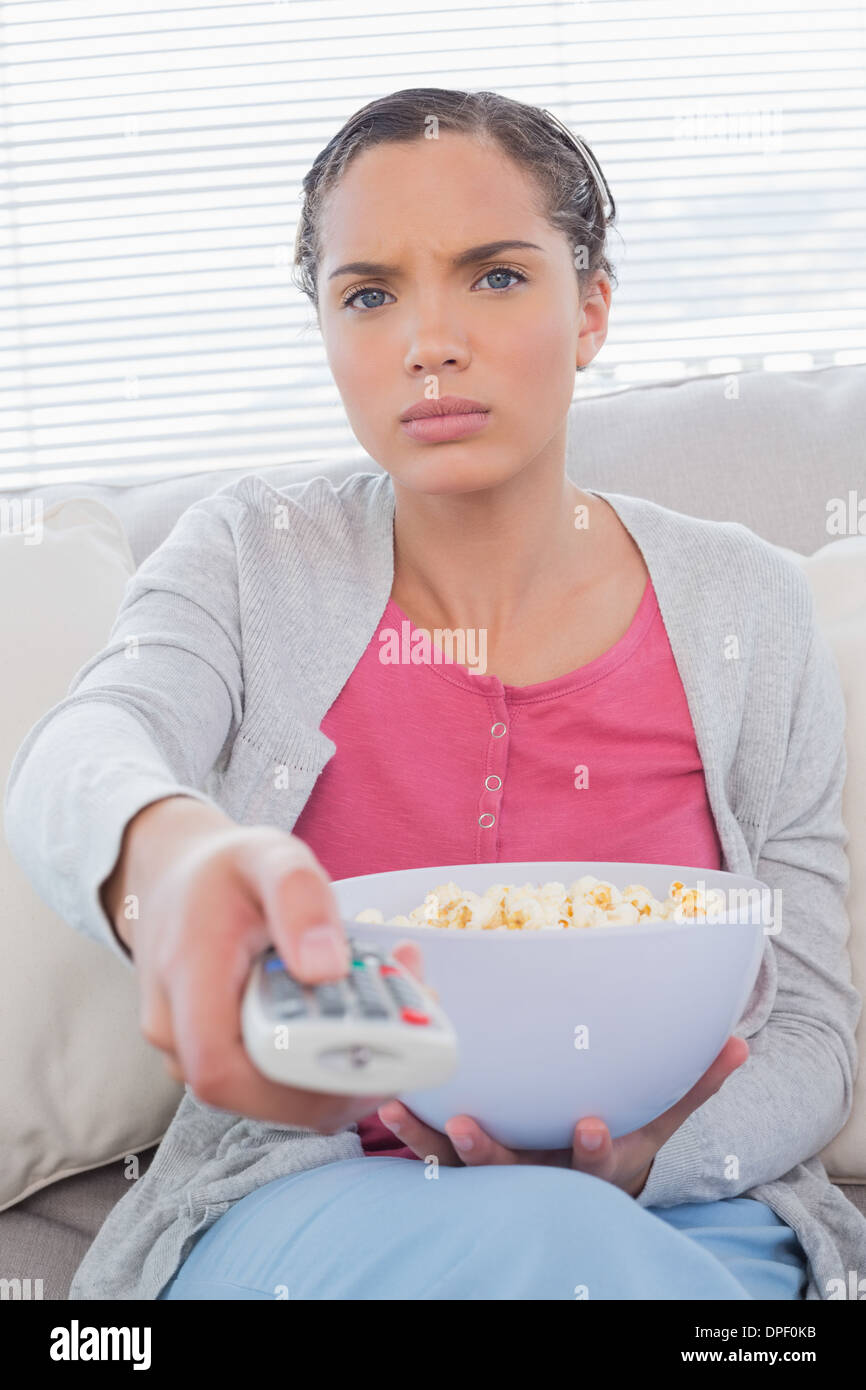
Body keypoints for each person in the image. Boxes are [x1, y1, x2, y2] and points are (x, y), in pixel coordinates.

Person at [5, 88, 863, 1301]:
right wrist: (173, 853)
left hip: (683, 1215)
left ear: (592, 307)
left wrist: (640, 1164)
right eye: (369, 294)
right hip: (310, 1209)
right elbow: (85, 747)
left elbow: (813, 1034)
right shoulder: (251, 556)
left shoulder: (748, 609)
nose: (428, 340)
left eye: (496, 277)